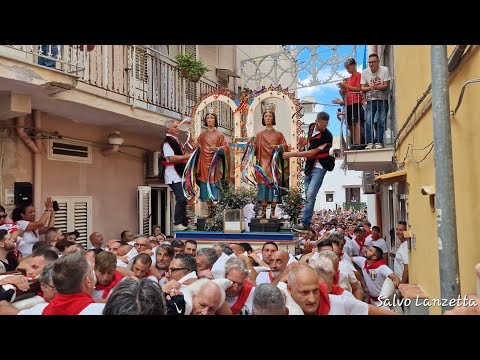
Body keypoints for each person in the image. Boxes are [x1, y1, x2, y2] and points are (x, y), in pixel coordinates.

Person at [283, 112, 334, 231]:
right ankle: (304, 220)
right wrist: (304, 143)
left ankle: (305, 222)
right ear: (316, 121)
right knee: (307, 195)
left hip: (320, 167)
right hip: (310, 166)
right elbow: (310, 141)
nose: (323, 128)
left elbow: (311, 153)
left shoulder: (328, 136)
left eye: (326, 125)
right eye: (322, 125)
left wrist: (292, 154)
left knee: (310, 195)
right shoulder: (311, 127)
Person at [250, 102, 289, 219]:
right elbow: (255, 150)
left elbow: (285, 146)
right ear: (263, 118)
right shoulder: (259, 135)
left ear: (273, 118)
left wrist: (278, 147)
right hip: (263, 164)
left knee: (273, 188)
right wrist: (252, 144)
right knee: (263, 188)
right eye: (265, 116)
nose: (267, 118)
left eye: (270, 116)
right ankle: (262, 211)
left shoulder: (279, 134)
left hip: (274, 165)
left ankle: (272, 212)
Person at [196, 106, 230, 217]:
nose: (210, 120)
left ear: (215, 120)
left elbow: (226, 149)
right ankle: (209, 210)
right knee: (206, 186)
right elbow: (198, 148)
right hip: (204, 164)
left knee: (215, 186)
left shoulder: (220, 135)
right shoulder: (202, 136)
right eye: (208, 118)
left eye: (212, 118)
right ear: (205, 120)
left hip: (215, 164)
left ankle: (217, 210)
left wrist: (218, 149)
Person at [162, 119, 194, 231]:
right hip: (173, 174)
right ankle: (178, 223)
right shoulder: (167, 142)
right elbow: (171, 158)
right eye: (175, 127)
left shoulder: (176, 141)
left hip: (179, 174)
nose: (177, 129)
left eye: (177, 126)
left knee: (184, 198)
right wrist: (188, 156)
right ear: (168, 129)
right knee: (181, 198)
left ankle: (184, 223)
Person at [361, 53, 391, 149]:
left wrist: (372, 87)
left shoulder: (384, 70)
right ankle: (370, 143)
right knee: (368, 121)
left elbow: (386, 85)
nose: (371, 64)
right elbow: (362, 88)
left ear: (378, 62)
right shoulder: (365, 72)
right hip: (370, 100)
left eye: (373, 62)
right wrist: (371, 88)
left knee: (381, 121)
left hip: (383, 99)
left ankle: (378, 142)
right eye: (369, 62)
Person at [332, 58, 364, 146]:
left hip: (356, 101)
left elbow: (358, 88)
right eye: (346, 68)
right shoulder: (348, 79)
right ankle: (354, 141)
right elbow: (346, 91)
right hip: (349, 103)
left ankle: (358, 142)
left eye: (348, 68)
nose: (348, 70)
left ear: (354, 66)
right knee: (350, 124)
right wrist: (342, 88)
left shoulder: (358, 75)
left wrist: (345, 85)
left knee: (357, 122)